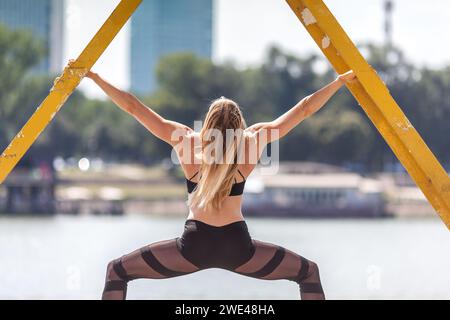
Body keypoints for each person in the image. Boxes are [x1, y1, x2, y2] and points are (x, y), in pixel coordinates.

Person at [84, 67, 356, 300]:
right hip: (237, 245)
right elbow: (305, 108)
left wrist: (96, 78)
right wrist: (338, 82)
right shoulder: (252, 142)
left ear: (208, 122)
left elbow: (133, 107)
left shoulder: (186, 141)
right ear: (240, 125)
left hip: (193, 245)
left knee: (116, 271)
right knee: (309, 273)